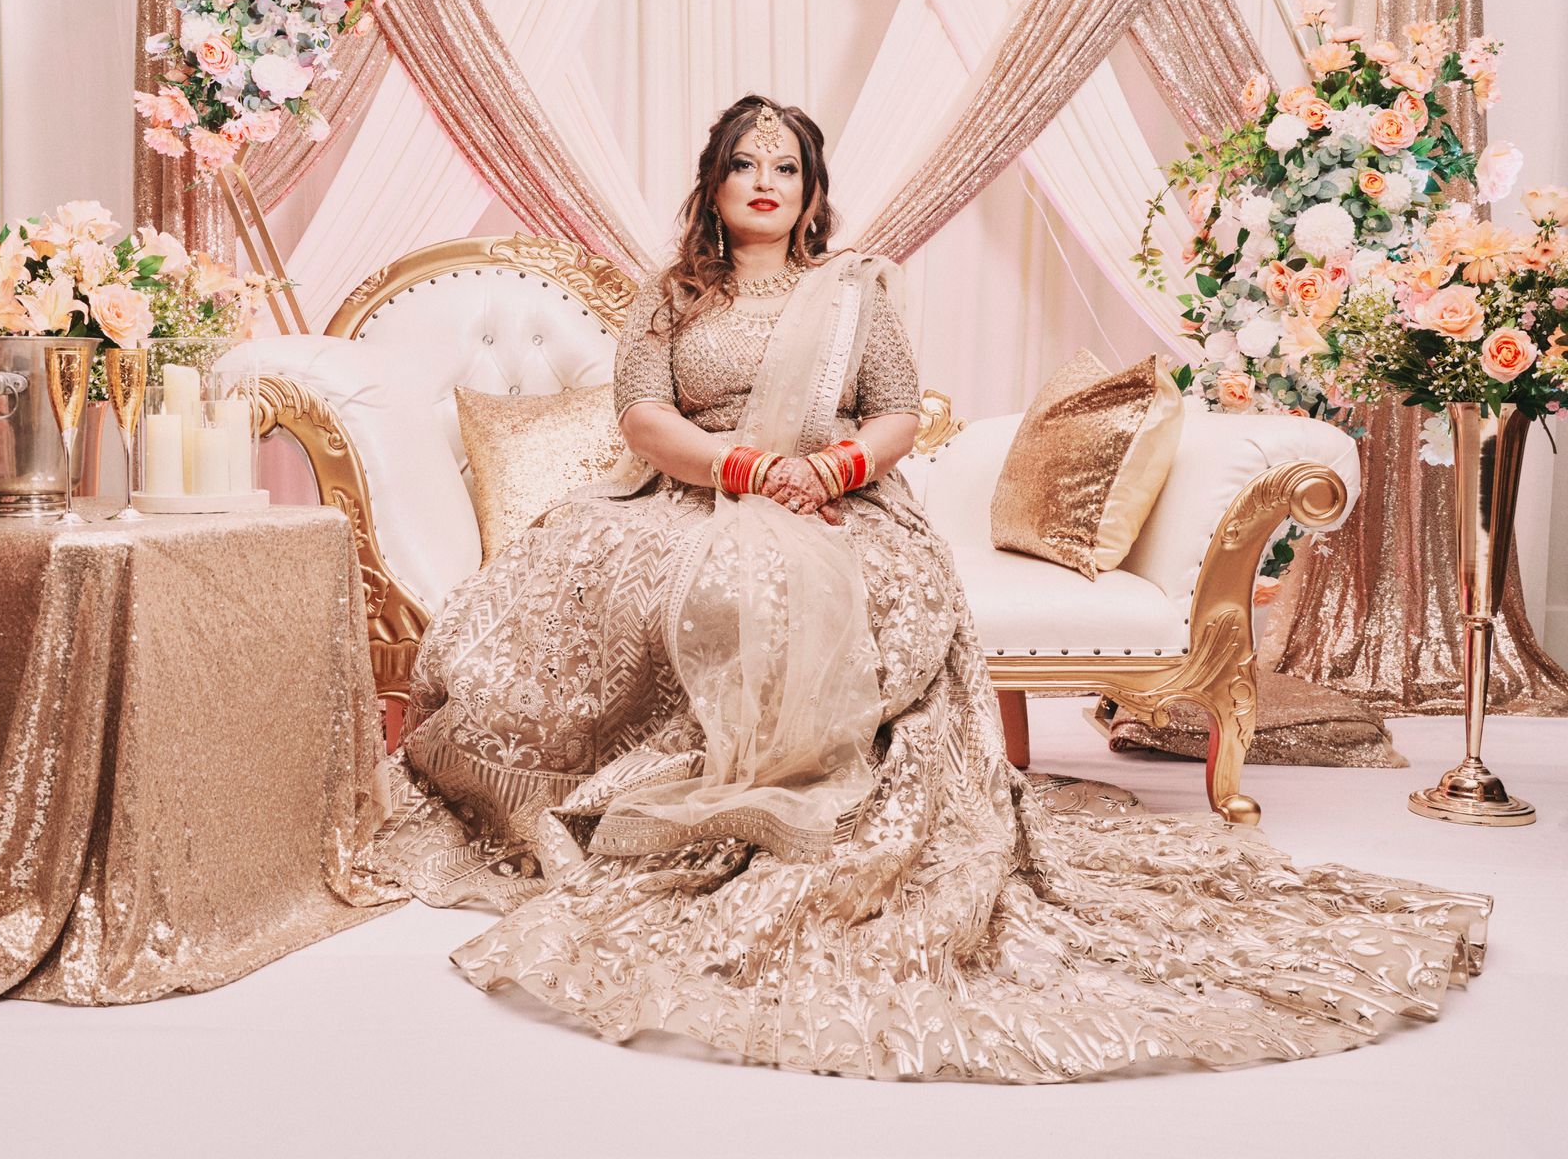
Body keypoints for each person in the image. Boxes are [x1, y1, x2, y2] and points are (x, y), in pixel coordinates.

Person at [356, 94, 1490, 1081]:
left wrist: (836, 467)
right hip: (690, 490)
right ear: (713, 182)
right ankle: (636, 795)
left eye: (785, 166)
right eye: (744, 163)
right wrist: (746, 466)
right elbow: (642, 417)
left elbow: (898, 408)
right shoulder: (673, 295)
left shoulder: (851, 291)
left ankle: (811, 799)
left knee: (862, 593)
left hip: (840, 496)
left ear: (812, 194)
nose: (764, 181)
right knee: (610, 575)